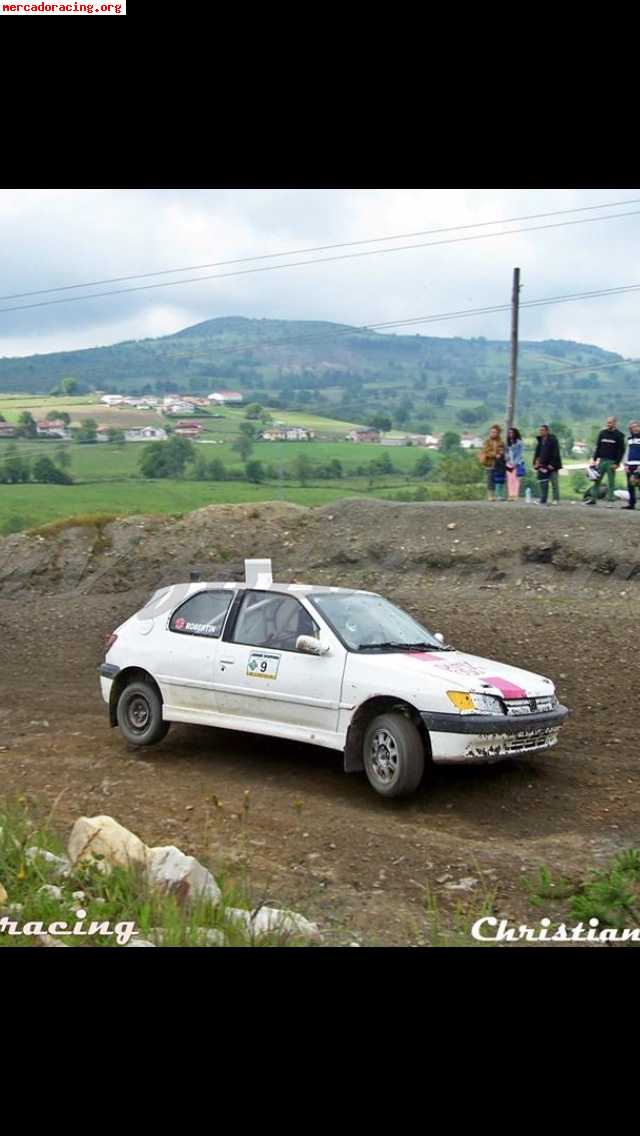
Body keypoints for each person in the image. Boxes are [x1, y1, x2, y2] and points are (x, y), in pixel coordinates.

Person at [585, 415, 625, 506]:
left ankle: (610, 501)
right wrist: (594, 459)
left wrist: (617, 463)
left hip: (611, 462)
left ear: (614, 423)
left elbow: (621, 451)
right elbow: (598, 447)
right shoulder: (602, 433)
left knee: (611, 482)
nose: (608, 424)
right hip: (602, 460)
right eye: (607, 422)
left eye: (610, 422)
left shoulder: (619, 435)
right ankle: (593, 499)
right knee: (596, 480)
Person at [533, 425, 562, 505]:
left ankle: (556, 499)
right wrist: (536, 462)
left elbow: (556, 453)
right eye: (540, 430)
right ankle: (543, 499)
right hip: (542, 465)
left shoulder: (553, 440)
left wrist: (552, 464)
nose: (540, 432)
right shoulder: (540, 440)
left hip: (552, 465)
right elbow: (537, 453)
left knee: (554, 482)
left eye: (542, 430)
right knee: (543, 482)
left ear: (547, 431)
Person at [478, 423, 503, 501]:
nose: (493, 433)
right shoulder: (487, 441)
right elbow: (486, 451)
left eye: (495, 432)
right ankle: (490, 495)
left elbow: (502, 449)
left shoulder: (500, 441)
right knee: (490, 479)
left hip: (498, 464)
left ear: (498, 433)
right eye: (491, 432)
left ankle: (497, 495)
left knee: (498, 479)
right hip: (489, 463)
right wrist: (495, 454)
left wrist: (501, 453)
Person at [620, 420, 640, 510]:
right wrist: (625, 465)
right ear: (630, 429)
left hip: (639, 465)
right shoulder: (629, 439)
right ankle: (631, 504)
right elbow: (627, 452)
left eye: (636, 426)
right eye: (632, 427)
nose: (635, 428)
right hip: (630, 464)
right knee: (630, 485)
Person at [506, 426, 525, 500]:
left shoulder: (519, 442)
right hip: (509, 463)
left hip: (517, 463)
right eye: (509, 433)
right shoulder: (508, 442)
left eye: (511, 432)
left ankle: (515, 495)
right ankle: (510, 495)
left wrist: (514, 463)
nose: (510, 434)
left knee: (516, 480)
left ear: (515, 433)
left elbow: (520, 454)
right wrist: (508, 460)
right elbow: (507, 453)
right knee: (510, 480)